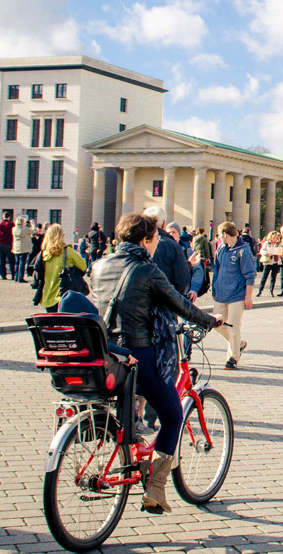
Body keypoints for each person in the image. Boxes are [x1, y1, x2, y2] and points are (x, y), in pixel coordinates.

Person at [88, 213, 223, 514]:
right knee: (173, 416)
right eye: (155, 239)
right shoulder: (147, 270)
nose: (157, 244)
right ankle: (157, 488)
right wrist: (210, 320)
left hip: (108, 354)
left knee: (129, 414)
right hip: (140, 354)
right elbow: (180, 303)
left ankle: (134, 455)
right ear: (145, 240)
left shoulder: (99, 266)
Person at [212, 222, 256, 370]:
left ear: (225, 235)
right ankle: (239, 344)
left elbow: (250, 275)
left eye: (219, 235)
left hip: (237, 294)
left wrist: (248, 297)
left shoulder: (243, 251)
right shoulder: (221, 249)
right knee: (216, 324)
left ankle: (233, 357)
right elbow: (216, 271)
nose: (218, 238)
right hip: (221, 293)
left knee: (233, 326)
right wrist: (214, 288)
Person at [29, 224, 88, 309]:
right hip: (64, 296)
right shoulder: (68, 252)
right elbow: (83, 266)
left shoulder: (43, 254)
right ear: (61, 236)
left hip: (47, 296)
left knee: (51, 321)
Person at [257, 231, 283, 297]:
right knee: (264, 276)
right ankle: (260, 290)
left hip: (275, 261)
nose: (275, 239)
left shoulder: (279, 244)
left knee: (273, 277)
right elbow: (261, 251)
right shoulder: (267, 243)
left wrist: (280, 253)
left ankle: (271, 291)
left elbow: (281, 252)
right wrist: (266, 252)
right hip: (268, 261)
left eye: (276, 238)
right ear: (270, 237)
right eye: (274, 238)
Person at [0, 212, 15, 280]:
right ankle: (13, 275)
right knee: (11, 261)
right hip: (9, 244)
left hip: (1, 244)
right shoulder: (11, 224)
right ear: (9, 217)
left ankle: (3, 275)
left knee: (2, 261)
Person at [12, 217, 33, 283]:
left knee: (17, 263)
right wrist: (33, 224)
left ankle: (16, 277)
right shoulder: (25, 229)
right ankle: (21, 277)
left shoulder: (14, 229)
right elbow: (34, 231)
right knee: (22, 262)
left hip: (16, 247)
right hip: (24, 248)